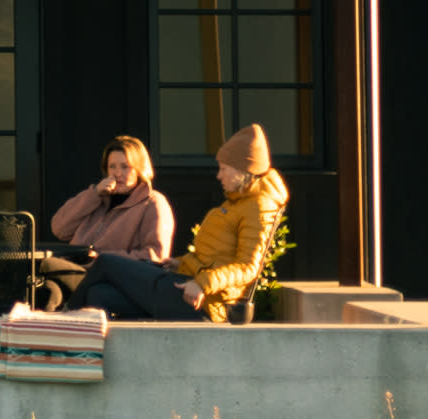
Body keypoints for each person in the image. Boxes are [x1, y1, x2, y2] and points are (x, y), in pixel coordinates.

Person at [68, 123, 289, 322]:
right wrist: (179, 262)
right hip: (184, 283)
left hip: (204, 302)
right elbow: (212, 257)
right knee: (97, 294)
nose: (218, 176)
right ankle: (88, 353)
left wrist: (202, 283)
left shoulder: (258, 208)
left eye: (223, 169)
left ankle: (62, 319)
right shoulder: (237, 203)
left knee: (106, 262)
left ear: (242, 172)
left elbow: (248, 267)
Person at [49, 136, 173, 263]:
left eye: (125, 167)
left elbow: (156, 255)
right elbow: (59, 229)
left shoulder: (152, 203)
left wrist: (101, 259)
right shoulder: (97, 197)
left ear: (139, 169)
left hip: (112, 277)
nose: (118, 173)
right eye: (112, 166)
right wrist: (94, 194)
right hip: (72, 268)